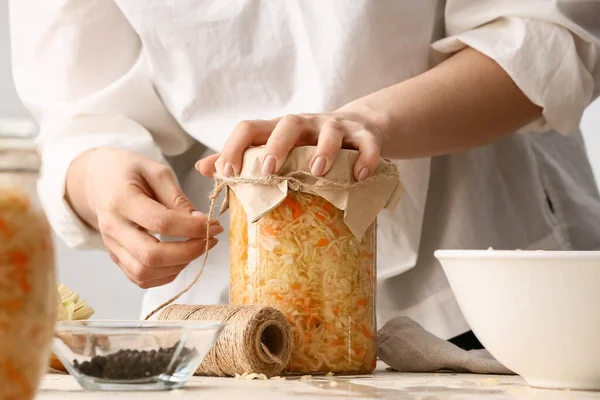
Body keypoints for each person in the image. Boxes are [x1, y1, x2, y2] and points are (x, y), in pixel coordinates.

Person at [9, 1, 600, 348]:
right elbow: (80, 109)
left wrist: (363, 122)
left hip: (477, 282)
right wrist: (103, 185)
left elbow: (542, 35)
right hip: (225, 320)